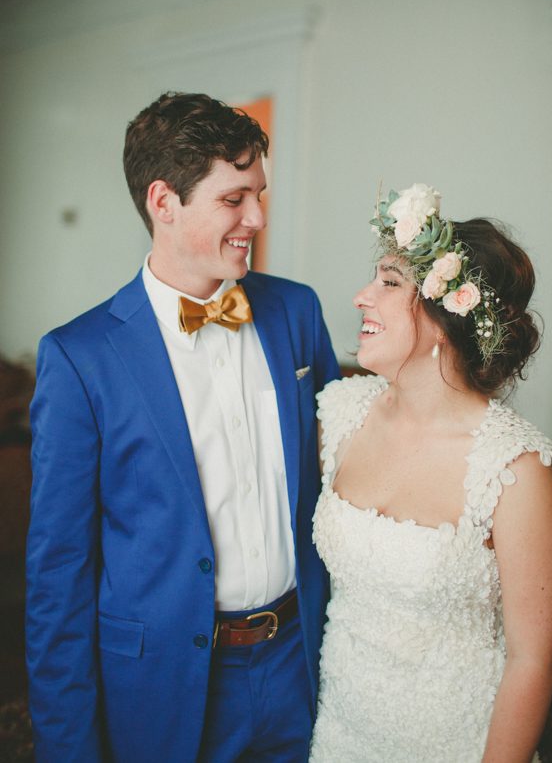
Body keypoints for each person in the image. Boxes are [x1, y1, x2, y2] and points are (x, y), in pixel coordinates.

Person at [26, 92, 339, 763]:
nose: (257, 218)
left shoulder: (297, 312)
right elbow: (59, 576)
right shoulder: (79, 359)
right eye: (234, 200)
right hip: (164, 683)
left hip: (299, 659)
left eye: (259, 194)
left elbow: (339, 476)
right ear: (164, 202)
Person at [309, 184, 552, 763]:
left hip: (454, 740)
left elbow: (534, 659)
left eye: (389, 283)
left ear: (447, 311)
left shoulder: (514, 468)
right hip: (339, 734)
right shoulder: (341, 414)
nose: (361, 297)